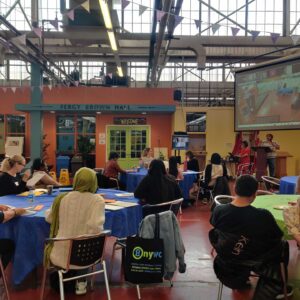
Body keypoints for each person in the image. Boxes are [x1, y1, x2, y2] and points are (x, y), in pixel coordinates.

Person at [210, 175, 293, 299]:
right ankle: (280, 285)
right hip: (255, 260)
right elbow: (277, 236)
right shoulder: (263, 215)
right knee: (283, 244)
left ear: (235, 188)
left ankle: (243, 278)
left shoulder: (219, 210)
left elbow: (215, 227)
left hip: (226, 261)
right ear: (255, 194)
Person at [45, 167, 105, 295]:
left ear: (76, 180)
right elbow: (96, 228)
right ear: (94, 181)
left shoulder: (62, 198)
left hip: (61, 255)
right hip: (88, 255)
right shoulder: (97, 200)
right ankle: (81, 281)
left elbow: (50, 218)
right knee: (85, 242)